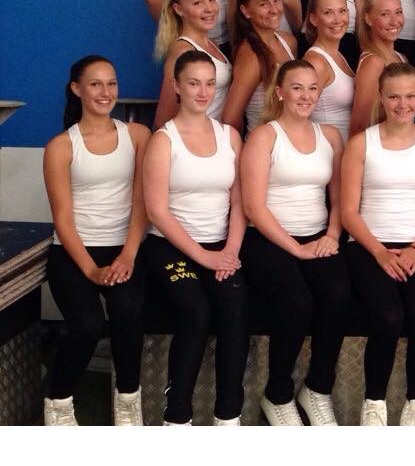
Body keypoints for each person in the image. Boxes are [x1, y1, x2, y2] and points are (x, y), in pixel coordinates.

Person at [142, 51, 248, 426]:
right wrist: (203, 257)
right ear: (176, 86)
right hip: (169, 246)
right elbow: (157, 211)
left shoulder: (229, 136)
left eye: (209, 83)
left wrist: (231, 250)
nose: (203, 92)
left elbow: (240, 201)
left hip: (221, 245)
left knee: (235, 311)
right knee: (197, 313)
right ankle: (177, 417)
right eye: (193, 83)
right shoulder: (163, 140)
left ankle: (228, 416)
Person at [43, 56, 150, 426]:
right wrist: (91, 270)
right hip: (74, 252)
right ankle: (58, 402)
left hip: (125, 247)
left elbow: (142, 202)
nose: (106, 92)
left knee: (127, 311)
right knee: (87, 324)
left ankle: (128, 401)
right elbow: (63, 219)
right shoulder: (61, 146)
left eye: (111, 83)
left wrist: (128, 254)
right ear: (77, 89)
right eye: (95, 84)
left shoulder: (138, 136)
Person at [240, 60, 349, 426]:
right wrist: (296, 249)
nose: (306, 96)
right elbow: (253, 207)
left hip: (317, 236)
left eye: (312, 88)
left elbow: (339, 197)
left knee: (337, 293)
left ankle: (317, 388)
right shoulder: (264, 136)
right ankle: (277, 394)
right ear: (280, 92)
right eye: (297, 88)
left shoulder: (330, 136)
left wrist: (332, 235)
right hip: (268, 238)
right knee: (297, 302)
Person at [341, 63, 415, 426]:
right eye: (393, 97)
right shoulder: (361, 143)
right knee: (388, 316)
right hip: (368, 245)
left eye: (410, 96)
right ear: (381, 98)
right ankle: (374, 405)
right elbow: (348, 211)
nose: (403, 105)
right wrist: (379, 252)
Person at [153, 0, 231, 129]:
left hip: (217, 138)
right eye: (198, 3)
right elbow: (163, 119)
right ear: (179, 9)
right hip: (195, 140)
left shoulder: (213, 44)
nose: (209, 9)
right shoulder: (182, 51)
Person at [220, 0, 296, 134]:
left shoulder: (288, 41)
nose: (274, 10)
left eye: (276, 0)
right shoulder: (251, 55)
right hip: (263, 143)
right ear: (246, 11)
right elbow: (230, 118)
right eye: (263, 4)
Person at [349, 0, 407, 136]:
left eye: (398, 12)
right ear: (368, 19)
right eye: (385, 14)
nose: (394, 21)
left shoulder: (401, 58)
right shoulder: (373, 63)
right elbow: (358, 126)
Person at [303, 0, 355, 143]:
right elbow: (297, 114)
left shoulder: (339, 56)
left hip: (343, 148)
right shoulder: (316, 62)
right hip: (327, 149)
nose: (338, 19)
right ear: (313, 19)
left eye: (342, 11)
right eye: (328, 13)